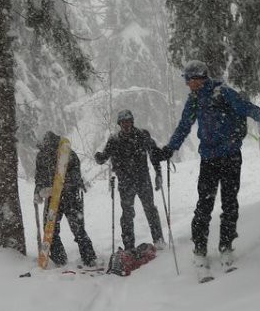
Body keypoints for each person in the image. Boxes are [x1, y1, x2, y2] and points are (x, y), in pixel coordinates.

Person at [155, 61, 260, 273]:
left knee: (229, 203)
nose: (189, 85)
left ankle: (226, 246)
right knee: (204, 206)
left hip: (231, 157)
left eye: (190, 80)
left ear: (200, 78)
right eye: (187, 81)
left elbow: (249, 109)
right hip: (208, 159)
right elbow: (183, 127)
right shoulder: (194, 100)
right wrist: (169, 149)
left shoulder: (223, 93)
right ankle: (199, 250)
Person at [94, 109, 165, 250]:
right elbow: (105, 156)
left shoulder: (142, 135)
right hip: (125, 182)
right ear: (119, 124)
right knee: (127, 214)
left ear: (132, 122)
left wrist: (158, 174)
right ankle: (129, 247)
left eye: (128, 122)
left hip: (142, 179)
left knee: (150, 210)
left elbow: (154, 155)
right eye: (123, 122)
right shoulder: (114, 140)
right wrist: (100, 157)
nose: (126, 125)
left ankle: (158, 241)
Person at [34, 131, 98, 268]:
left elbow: (76, 174)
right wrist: (39, 191)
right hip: (52, 199)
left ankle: (89, 258)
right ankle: (60, 260)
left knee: (78, 229)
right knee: (50, 229)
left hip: (71, 196)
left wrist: (63, 186)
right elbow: (39, 176)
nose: (49, 150)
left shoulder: (68, 153)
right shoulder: (41, 156)